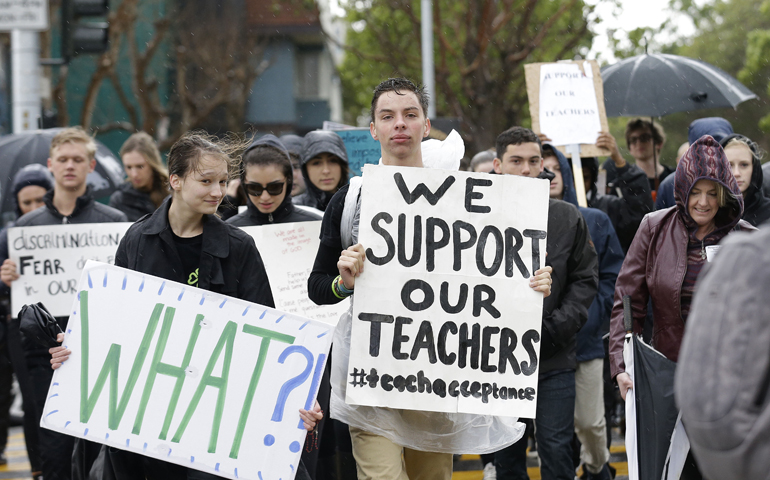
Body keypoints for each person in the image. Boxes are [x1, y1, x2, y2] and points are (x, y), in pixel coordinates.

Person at [308, 79, 553, 480]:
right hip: (370, 379)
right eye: (387, 117)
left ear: (425, 126)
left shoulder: (466, 197)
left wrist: (533, 285)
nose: (399, 125)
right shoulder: (351, 198)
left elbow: (496, 278)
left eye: (410, 115)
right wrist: (343, 283)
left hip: (436, 380)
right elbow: (317, 288)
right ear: (373, 129)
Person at [49, 131, 322, 480]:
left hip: (217, 418)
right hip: (150, 415)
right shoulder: (137, 240)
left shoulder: (239, 247)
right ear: (175, 180)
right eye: (206, 180)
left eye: (223, 181)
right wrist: (73, 353)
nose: (217, 191)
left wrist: (297, 392)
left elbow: (267, 332)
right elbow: (113, 325)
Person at [609, 135, 756, 478]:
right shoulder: (654, 228)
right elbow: (627, 300)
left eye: (712, 193)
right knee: (670, 469)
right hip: (665, 373)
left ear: (725, 194)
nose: (703, 202)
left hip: (728, 379)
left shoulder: (746, 238)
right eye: (695, 191)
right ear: (682, 189)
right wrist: (622, 363)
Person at [0, 127, 128, 480]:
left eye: (77, 160)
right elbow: (18, 304)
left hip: (97, 350)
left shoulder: (115, 224)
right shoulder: (24, 229)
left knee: (98, 445)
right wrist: (7, 276)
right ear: (50, 165)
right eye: (63, 160)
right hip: (43, 354)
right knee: (54, 446)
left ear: (90, 167)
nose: (70, 166)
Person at [492, 127, 598, 480]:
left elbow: (585, 279)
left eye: (533, 161)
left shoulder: (568, 217)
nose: (526, 169)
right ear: (497, 165)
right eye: (516, 161)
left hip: (554, 357)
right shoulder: (478, 216)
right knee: (506, 454)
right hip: (496, 360)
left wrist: (555, 328)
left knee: (555, 449)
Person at [542, 145, 622, 480]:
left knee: (590, 423)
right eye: (539, 167)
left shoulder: (593, 220)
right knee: (555, 437)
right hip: (546, 348)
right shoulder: (514, 220)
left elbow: (610, 277)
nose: (547, 176)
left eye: (554, 169)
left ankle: (596, 468)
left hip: (585, 342)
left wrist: (591, 314)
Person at [0, 164, 53, 477]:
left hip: (59, 327)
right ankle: (38, 469)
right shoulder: (8, 238)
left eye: (39, 201)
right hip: (21, 329)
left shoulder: (64, 229)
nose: (32, 208)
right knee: (33, 403)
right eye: (26, 202)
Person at [228, 135, 322, 226]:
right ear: (244, 184)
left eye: (274, 187)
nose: (265, 197)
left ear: (288, 180)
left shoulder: (315, 225)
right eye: (255, 188)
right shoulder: (230, 230)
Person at [655, 117, 734, 211]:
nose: (713, 151)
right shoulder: (671, 185)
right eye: (706, 145)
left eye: (721, 145)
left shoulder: (738, 180)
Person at [109, 132, 169, 221]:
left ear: (152, 164)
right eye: (128, 167)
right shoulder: (120, 200)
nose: (134, 174)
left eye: (140, 166)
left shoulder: (173, 191)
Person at [604, 118, 671, 197]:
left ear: (659, 143)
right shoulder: (622, 183)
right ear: (629, 148)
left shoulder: (675, 177)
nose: (638, 143)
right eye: (633, 140)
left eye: (644, 138)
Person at [720, 134, 770, 227]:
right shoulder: (710, 213)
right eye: (729, 165)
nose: (736, 173)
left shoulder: (767, 214)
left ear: (755, 168)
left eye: (744, 165)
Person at [293, 131, 350, 211]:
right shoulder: (296, 208)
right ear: (305, 169)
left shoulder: (359, 206)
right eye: (316, 163)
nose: (326, 171)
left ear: (342, 165)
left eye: (333, 161)